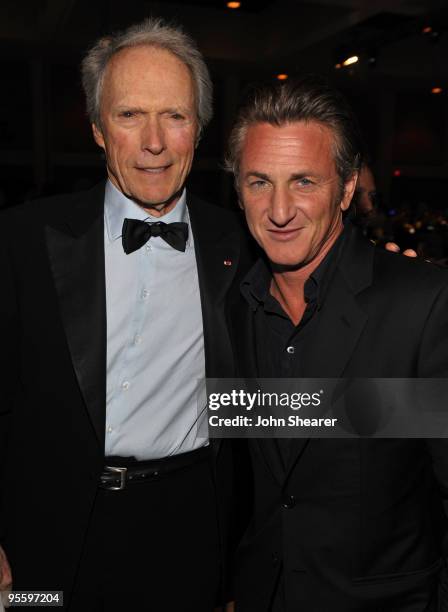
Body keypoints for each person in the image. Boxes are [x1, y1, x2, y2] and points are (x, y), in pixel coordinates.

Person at [0, 18, 251, 611]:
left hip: (190, 532)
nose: (155, 141)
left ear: (200, 128)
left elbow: (291, 388)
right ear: (95, 128)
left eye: (176, 115)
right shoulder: (21, 241)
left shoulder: (243, 246)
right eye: (130, 114)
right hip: (47, 539)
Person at [225, 77, 448, 611]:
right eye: (259, 182)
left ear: (347, 188)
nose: (279, 211)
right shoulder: (231, 307)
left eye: (303, 181)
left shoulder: (422, 304)